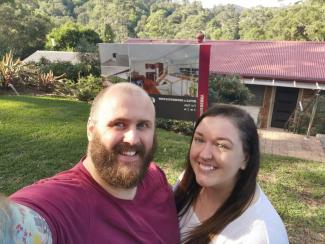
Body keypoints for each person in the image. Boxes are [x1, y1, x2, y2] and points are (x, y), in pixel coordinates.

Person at [10, 82, 180, 243]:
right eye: (119, 124)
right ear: (91, 130)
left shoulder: (155, 176)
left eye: (143, 125)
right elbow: (17, 227)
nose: (133, 139)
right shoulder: (63, 204)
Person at [174, 104, 289, 244]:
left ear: (245, 158)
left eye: (222, 145)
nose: (204, 154)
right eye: (199, 139)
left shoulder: (259, 236)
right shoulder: (188, 181)